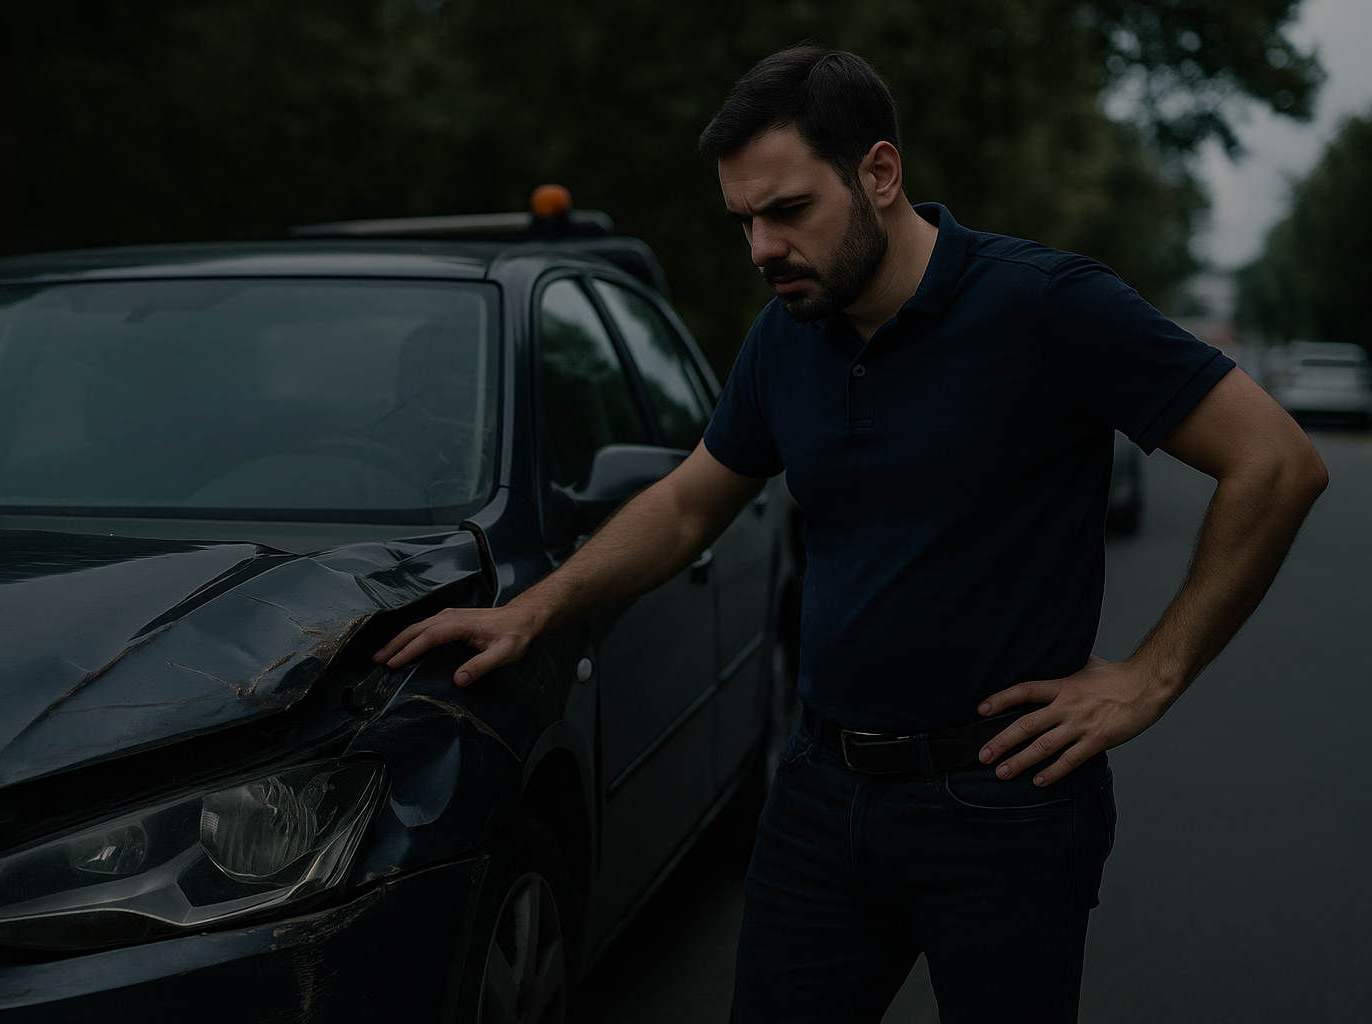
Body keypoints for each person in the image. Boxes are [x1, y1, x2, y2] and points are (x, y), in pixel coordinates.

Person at [375, 46, 1328, 1024]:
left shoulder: (1046, 306)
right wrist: (529, 613)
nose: (761, 250)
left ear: (879, 172)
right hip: (822, 795)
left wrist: (1151, 675)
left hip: (1004, 801)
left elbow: (1276, 461)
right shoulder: (785, 334)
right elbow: (687, 503)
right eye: (743, 220)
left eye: (787, 211)